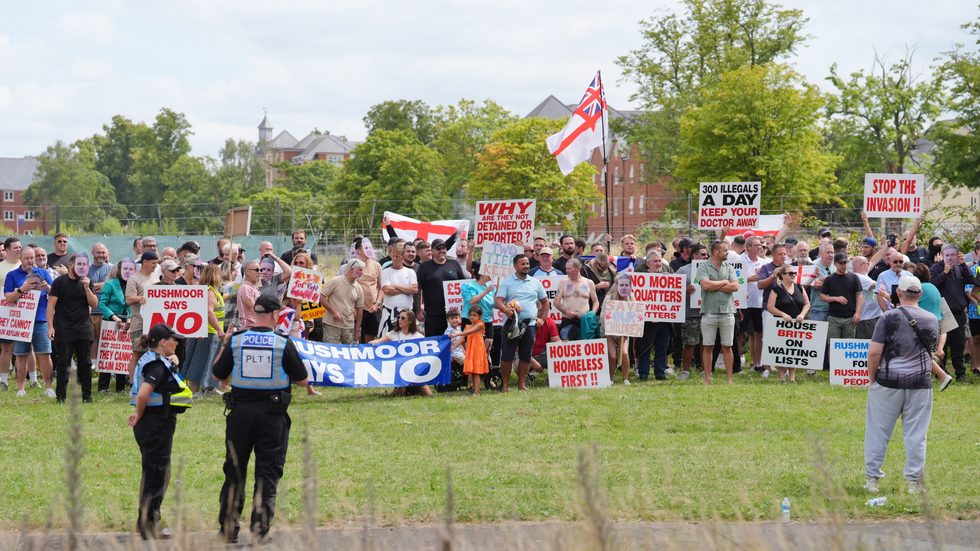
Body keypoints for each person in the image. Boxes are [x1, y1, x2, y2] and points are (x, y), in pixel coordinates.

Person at [212, 295, 310, 543]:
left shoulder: (235, 341)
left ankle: (228, 530)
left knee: (234, 472)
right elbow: (302, 380)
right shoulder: (282, 343)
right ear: (276, 315)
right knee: (267, 474)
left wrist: (224, 343)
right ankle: (259, 531)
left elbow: (217, 375)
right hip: (272, 416)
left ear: (254, 313)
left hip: (240, 414)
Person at [863, 276, 937, 496]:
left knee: (878, 431)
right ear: (920, 294)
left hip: (888, 381)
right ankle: (915, 482)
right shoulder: (932, 318)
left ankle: (872, 479)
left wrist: (872, 379)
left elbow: (875, 352)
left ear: (899, 293)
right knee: (916, 434)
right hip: (921, 383)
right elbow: (930, 351)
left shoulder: (888, 317)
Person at [128, 323, 193, 540]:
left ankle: (146, 522)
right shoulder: (156, 366)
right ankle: (149, 526)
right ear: (163, 342)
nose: (177, 342)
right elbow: (144, 393)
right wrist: (138, 414)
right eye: (174, 339)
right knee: (156, 475)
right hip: (155, 424)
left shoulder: (155, 360)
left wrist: (172, 362)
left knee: (156, 473)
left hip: (154, 423)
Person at [47, 252, 99, 403]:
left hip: (83, 329)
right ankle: (61, 397)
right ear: (71, 265)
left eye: (84, 264)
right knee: (63, 363)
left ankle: (87, 396)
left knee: (85, 363)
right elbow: (51, 306)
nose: (82, 267)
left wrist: (87, 288)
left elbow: (94, 304)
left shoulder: (88, 282)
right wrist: (50, 327)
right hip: (64, 329)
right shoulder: (60, 282)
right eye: (79, 264)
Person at [4, 246, 55, 397]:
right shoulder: (12, 275)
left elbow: (55, 294)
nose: (30, 261)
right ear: (20, 258)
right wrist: (22, 289)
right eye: (27, 258)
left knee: (45, 354)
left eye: (32, 258)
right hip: (21, 321)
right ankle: (21, 389)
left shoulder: (43, 273)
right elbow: (8, 298)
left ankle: (49, 387)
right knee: (21, 355)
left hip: (40, 319)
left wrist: (47, 287)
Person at [495, 255, 549, 392]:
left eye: (527, 263)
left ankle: (521, 385)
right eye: (522, 264)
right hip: (511, 325)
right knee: (507, 356)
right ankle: (505, 386)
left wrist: (542, 319)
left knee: (526, 355)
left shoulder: (535, 282)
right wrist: (507, 311)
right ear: (515, 266)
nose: (526, 266)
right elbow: (498, 301)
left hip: (529, 325)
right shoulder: (507, 283)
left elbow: (545, 302)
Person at [930, 244, 975, 382]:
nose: (950, 258)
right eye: (947, 255)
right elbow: (931, 284)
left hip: (959, 311)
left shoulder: (960, 268)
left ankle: (960, 374)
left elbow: (971, 280)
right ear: (943, 255)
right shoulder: (936, 268)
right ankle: (941, 374)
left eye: (953, 255)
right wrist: (944, 273)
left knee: (958, 345)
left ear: (957, 256)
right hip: (943, 312)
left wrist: (963, 265)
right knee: (944, 345)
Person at [697, 241, 739, 385]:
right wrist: (724, 282)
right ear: (716, 251)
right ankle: (707, 378)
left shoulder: (729, 267)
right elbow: (706, 285)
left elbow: (735, 286)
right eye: (725, 250)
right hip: (709, 312)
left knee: (727, 346)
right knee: (708, 346)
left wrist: (716, 285)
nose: (728, 253)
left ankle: (729, 379)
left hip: (727, 312)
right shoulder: (703, 267)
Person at [184, 264, 226, 398]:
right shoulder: (209, 291)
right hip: (208, 332)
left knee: (211, 360)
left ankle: (210, 387)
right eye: (219, 274)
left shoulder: (209, 290)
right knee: (200, 360)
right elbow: (209, 312)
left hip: (207, 331)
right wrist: (220, 331)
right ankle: (195, 391)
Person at [369, 310, 431, 396]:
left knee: (428, 394)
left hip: (414, 374)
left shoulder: (418, 337)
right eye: (398, 317)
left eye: (403, 318)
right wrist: (373, 342)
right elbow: (378, 341)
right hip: (398, 372)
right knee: (398, 395)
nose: (399, 320)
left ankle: (409, 390)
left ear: (410, 321)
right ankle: (402, 389)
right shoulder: (393, 334)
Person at [766, 264, 811, 382]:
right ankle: (782, 377)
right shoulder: (776, 290)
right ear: (783, 275)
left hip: (796, 324)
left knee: (794, 349)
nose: (793, 275)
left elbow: (807, 304)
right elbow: (770, 307)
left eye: (794, 273)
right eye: (791, 273)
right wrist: (783, 314)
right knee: (781, 350)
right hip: (781, 324)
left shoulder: (799, 287)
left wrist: (802, 314)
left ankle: (792, 378)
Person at [98, 258, 135, 393]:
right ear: (120, 270)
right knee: (108, 354)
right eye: (125, 269)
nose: (127, 271)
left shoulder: (134, 285)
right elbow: (102, 304)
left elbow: (133, 304)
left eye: (130, 269)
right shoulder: (110, 284)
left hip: (127, 322)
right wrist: (114, 317)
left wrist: (130, 318)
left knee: (123, 354)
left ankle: (120, 387)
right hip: (110, 321)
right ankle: (103, 387)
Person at [417, 238, 465, 337]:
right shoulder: (425, 266)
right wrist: (418, 308)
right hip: (432, 314)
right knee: (434, 342)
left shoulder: (454, 264)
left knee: (455, 342)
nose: (442, 250)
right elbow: (418, 288)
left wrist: (458, 304)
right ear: (432, 251)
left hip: (453, 314)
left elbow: (464, 286)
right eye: (438, 248)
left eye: (444, 248)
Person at [674, 244, 707, 380]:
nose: (706, 257)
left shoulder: (712, 269)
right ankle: (685, 371)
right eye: (703, 254)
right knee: (690, 343)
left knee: (707, 343)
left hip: (708, 313)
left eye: (706, 254)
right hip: (691, 314)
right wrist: (684, 290)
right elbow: (672, 289)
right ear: (695, 256)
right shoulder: (683, 270)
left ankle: (705, 370)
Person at [126, 251, 160, 381]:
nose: (155, 266)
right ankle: (132, 383)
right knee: (137, 353)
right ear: (144, 262)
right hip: (139, 323)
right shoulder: (134, 279)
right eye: (153, 263)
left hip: (154, 323)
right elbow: (128, 300)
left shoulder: (156, 279)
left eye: (156, 263)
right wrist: (141, 298)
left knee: (152, 353)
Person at [319, 259, 365, 345]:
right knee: (331, 352)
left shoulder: (359, 288)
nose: (362, 273)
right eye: (360, 270)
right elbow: (321, 296)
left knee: (350, 354)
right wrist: (333, 311)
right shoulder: (335, 281)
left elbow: (360, 310)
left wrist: (357, 330)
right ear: (351, 269)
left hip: (349, 327)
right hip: (332, 325)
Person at [741, 237, 768, 376]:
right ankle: (736, 363)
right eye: (757, 245)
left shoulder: (765, 263)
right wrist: (750, 278)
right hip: (743, 303)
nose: (760, 247)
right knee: (741, 334)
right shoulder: (739, 261)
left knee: (759, 334)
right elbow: (733, 279)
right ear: (748, 247)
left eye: (761, 245)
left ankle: (759, 363)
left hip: (760, 302)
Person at [820, 252, 863, 342]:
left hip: (849, 317)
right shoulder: (829, 279)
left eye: (845, 263)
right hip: (834, 317)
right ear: (835, 264)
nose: (843, 266)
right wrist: (835, 298)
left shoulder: (854, 277)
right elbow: (822, 297)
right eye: (841, 263)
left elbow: (859, 295)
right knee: (832, 344)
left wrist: (858, 313)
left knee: (848, 345)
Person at [601, 272, 635, 384]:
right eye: (622, 285)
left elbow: (634, 314)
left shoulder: (631, 297)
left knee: (624, 353)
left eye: (626, 285)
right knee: (612, 355)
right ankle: (610, 378)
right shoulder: (609, 298)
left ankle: (626, 378)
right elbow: (603, 316)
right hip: (609, 331)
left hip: (623, 330)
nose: (624, 287)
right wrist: (610, 327)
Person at [554, 258, 599, 341]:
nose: (566, 271)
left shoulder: (589, 283)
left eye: (569, 269)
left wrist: (592, 313)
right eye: (566, 268)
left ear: (578, 268)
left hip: (584, 324)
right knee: (567, 351)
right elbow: (556, 302)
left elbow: (595, 301)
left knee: (585, 351)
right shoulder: (563, 282)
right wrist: (567, 312)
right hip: (568, 323)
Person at [379, 242, 418, 334]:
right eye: (393, 256)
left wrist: (397, 286)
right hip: (390, 313)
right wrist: (406, 289)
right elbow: (387, 290)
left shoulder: (410, 272)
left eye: (397, 256)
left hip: (407, 314)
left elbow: (414, 289)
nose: (395, 259)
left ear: (403, 257)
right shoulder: (385, 272)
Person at [352, 238, 384, 343]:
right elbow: (348, 287)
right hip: (357, 308)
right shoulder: (352, 265)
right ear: (358, 250)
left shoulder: (377, 266)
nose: (369, 250)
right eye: (365, 248)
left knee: (371, 339)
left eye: (370, 247)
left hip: (372, 308)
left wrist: (377, 304)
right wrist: (353, 308)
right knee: (358, 338)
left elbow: (381, 288)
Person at [452, 306, 489, 395]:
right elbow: (461, 339)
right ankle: (473, 390)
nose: (472, 317)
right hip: (470, 351)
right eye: (470, 315)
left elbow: (468, 333)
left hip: (478, 351)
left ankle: (477, 392)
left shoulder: (480, 324)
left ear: (479, 316)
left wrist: (454, 335)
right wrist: (453, 347)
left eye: (474, 315)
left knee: (476, 373)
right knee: (472, 372)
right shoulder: (467, 326)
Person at [0, 237, 21, 391]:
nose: (19, 249)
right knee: (6, 347)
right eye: (15, 247)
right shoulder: (1, 267)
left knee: (28, 347)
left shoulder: (26, 266)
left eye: (20, 247)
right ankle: (4, 381)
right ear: (7, 250)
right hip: (5, 313)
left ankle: (31, 379)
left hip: (25, 315)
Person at [461, 262, 495, 353]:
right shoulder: (468, 286)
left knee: (487, 352)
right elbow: (472, 301)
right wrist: (485, 292)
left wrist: (498, 297)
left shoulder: (492, 288)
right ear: (482, 273)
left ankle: (487, 367)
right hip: (471, 322)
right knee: (472, 351)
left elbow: (494, 305)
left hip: (487, 322)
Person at [88, 243, 111, 363]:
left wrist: (92, 286)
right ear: (92, 253)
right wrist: (102, 285)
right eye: (98, 252)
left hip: (106, 312)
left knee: (106, 339)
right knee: (92, 339)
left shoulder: (112, 269)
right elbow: (84, 286)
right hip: (91, 311)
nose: (101, 255)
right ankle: (94, 363)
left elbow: (110, 287)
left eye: (103, 253)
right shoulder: (87, 269)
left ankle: (105, 363)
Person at [851, 256, 883, 340]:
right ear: (862, 265)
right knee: (868, 342)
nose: (869, 265)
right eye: (867, 264)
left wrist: (885, 248)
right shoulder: (858, 277)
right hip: (867, 318)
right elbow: (877, 286)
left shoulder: (864, 275)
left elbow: (874, 260)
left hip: (872, 316)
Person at [237, 260, 262, 330]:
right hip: (249, 327)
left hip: (255, 327)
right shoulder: (246, 287)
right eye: (257, 270)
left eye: (260, 270)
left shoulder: (252, 287)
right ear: (247, 272)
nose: (259, 272)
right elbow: (253, 308)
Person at [445, 308, 467, 373]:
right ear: (448, 320)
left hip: (460, 352)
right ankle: (469, 381)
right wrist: (449, 356)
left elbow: (459, 343)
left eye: (456, 318)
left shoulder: (459, 329)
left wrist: (465, 353)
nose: (454, 320)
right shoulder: (448, 331)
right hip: (454, 354)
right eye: (452, 318)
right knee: (467, 362)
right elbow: (446, 345)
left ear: (459, 319)